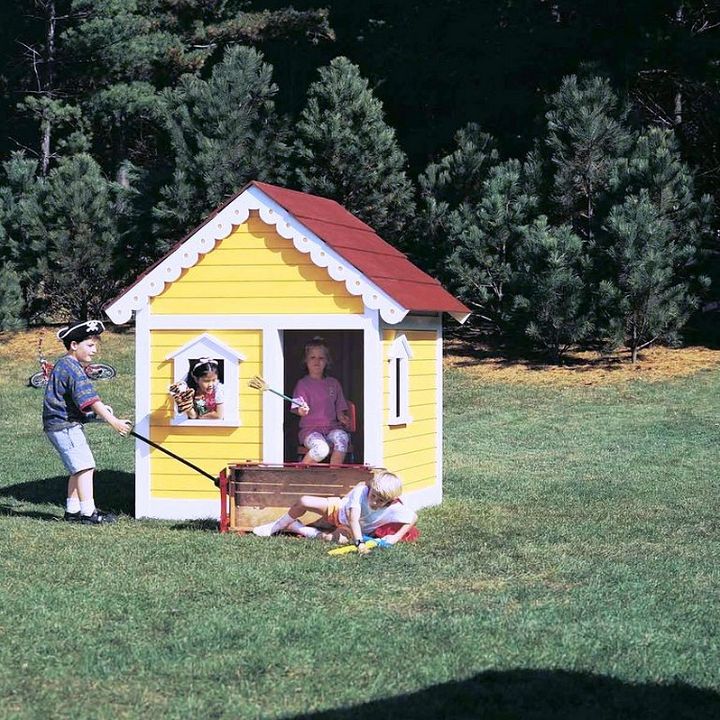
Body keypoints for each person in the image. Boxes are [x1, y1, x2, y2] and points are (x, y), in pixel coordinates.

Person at [42, 319, 131, 525]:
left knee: (77, 467)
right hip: (64, 426)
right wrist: (114, 422)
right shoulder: (72, 367)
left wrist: (100, 415)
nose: (95, 350)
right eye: (90, 345)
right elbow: (91, 400)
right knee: (86, 467)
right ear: (74, 345)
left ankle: (73, 511)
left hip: (60, 424)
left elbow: (76, 403)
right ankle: (89, 513)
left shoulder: (65, 364)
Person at [252, 470, 418, 554]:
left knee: (333, 539)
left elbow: (413, 517)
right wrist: (360, 543)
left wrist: (395, 538)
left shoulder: (393, 508)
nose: (374, 501)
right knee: (304, 501)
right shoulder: (361, 491)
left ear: (389, 501)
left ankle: (296, 528)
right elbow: (353, 518)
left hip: (351, 530)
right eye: (373, 496)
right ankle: (276, 526)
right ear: (370, 489)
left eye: (380, 501)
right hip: (338, 511)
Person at [292, 337, 350, 464]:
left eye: (321, 358)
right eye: (312, 357)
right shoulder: (302, 384)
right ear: (306, 361)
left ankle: (333, 475)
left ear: (327, 362)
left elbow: (339, 407)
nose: (317, 361)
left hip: (331, 429)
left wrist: (342, 417)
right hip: (310, 431)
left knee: (342, 438)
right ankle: (298, 474)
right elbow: (297, 409)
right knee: (321, 449)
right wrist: (302, 410)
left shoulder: (333, 383)